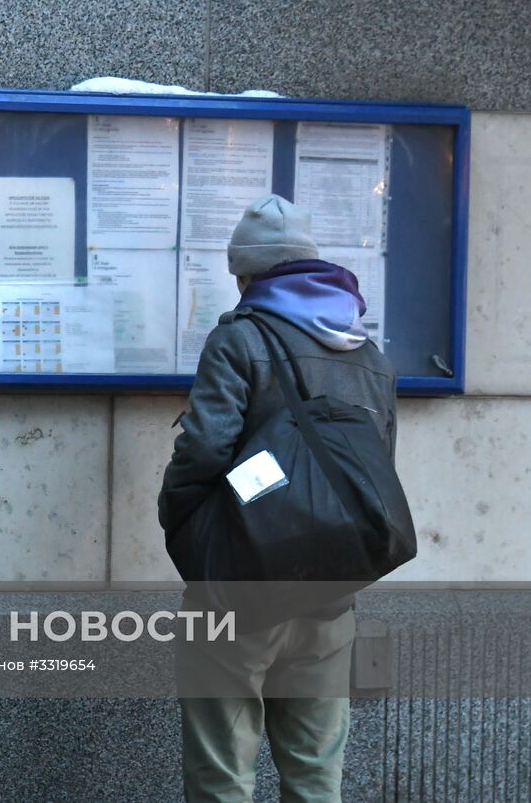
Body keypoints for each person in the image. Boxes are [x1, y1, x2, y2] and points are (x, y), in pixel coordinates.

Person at [161, 195, 397, 802]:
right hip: (329, 595)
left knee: (222, 775)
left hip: (239, 588)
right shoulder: (368, 356)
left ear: (249, 274)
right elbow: (376, 469)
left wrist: (182, 522)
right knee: (317, 775)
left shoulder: (240, 339)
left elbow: (205, 449)